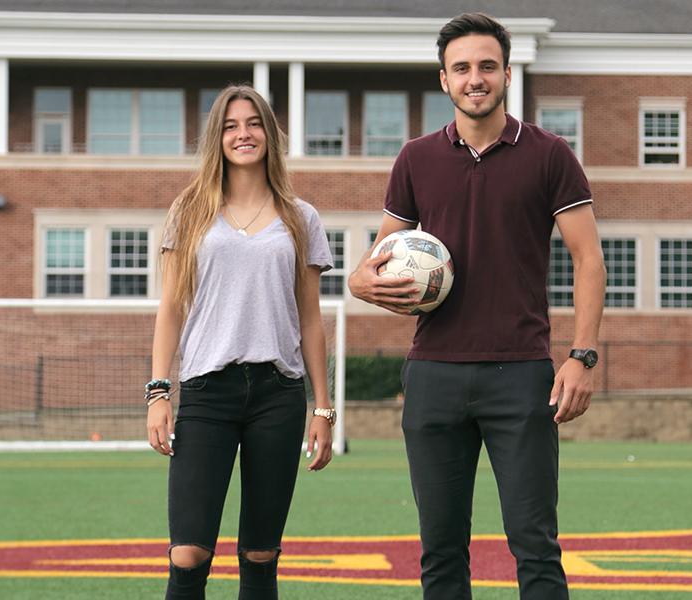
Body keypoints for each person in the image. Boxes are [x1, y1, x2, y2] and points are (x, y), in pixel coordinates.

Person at [348, 13, 606, 600]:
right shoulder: (415, 159)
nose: (475, 78)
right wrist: (359, 286)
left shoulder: (549, 154)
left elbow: (589, 261)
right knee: (440, 554)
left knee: (535, 548)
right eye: (461, 67)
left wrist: (582, 357)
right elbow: (376, 263)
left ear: (507, 74)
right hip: (433, 374)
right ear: (444, 80)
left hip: (520, 375)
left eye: (487, 66)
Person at [146, 84, 336, 600]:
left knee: (260, 554)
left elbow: (311, 318)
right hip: (208, 392)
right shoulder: (189, 211)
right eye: (230, 126)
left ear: (270, 134)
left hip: (278, 394)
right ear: (217, 138)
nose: (243, 134)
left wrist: (323, 407)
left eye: (253, 123)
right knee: (188, 554)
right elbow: (171, 309)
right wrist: (159, 393)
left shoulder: (301, 217)